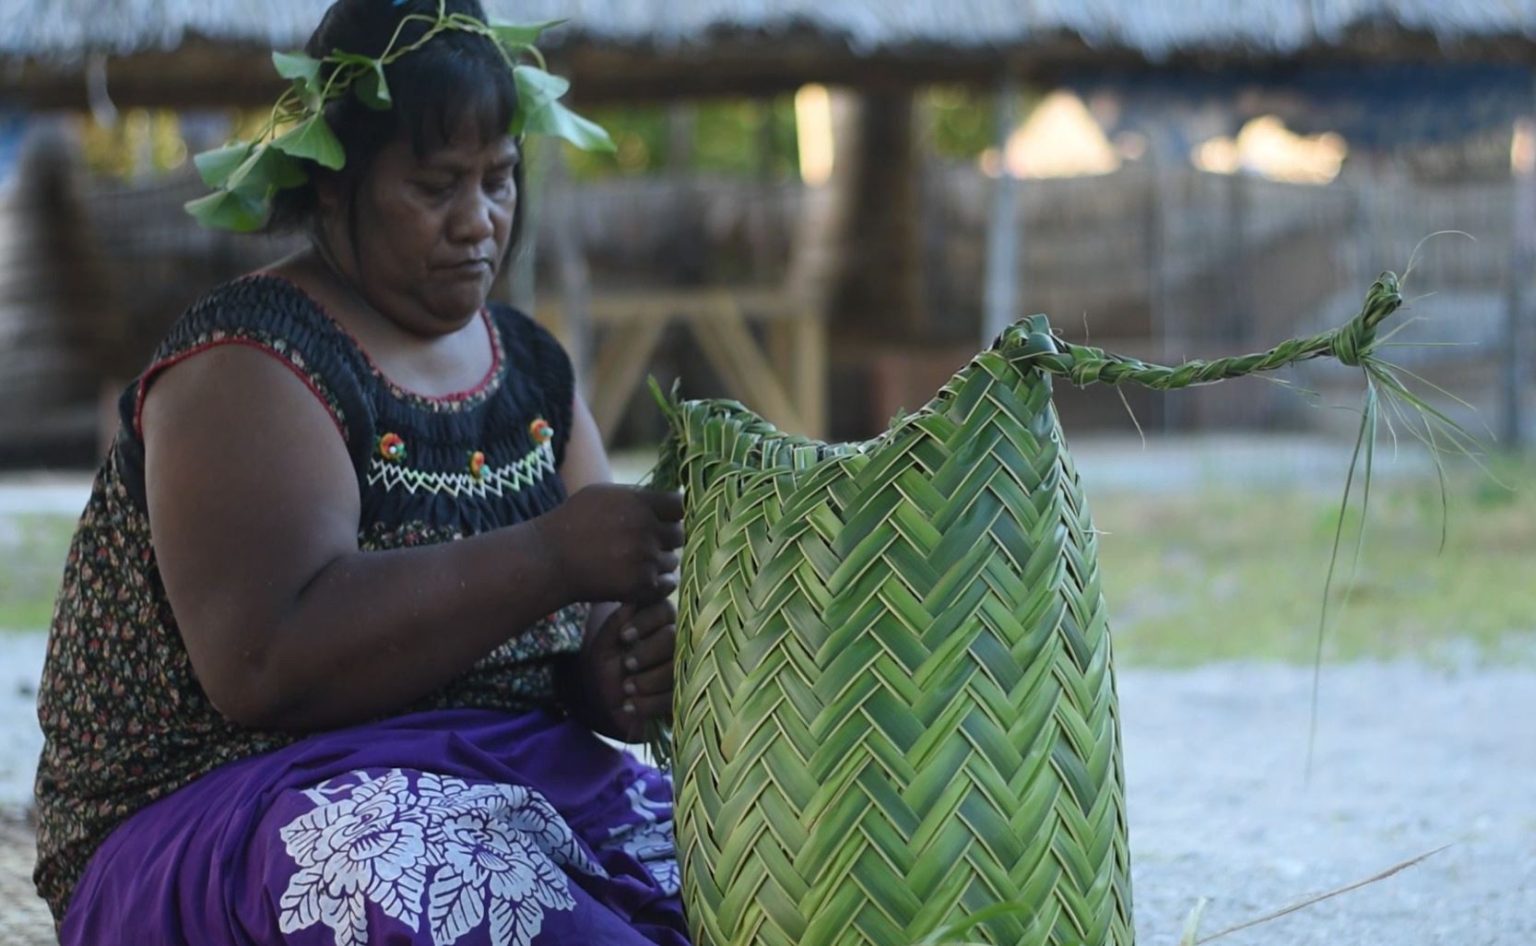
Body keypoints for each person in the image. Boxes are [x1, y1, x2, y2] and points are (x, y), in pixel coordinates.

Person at [31, 2, 690, 944]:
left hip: (504, 776)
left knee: (728, 881)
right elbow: (266, 664)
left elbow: (583, 643)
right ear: (333, 187)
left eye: (498, 180)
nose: (479, 222)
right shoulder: (248, 360)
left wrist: (612, 677)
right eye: (434, 186)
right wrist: (550, 556)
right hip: (231, 807)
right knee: (460, 890)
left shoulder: (531, 366)